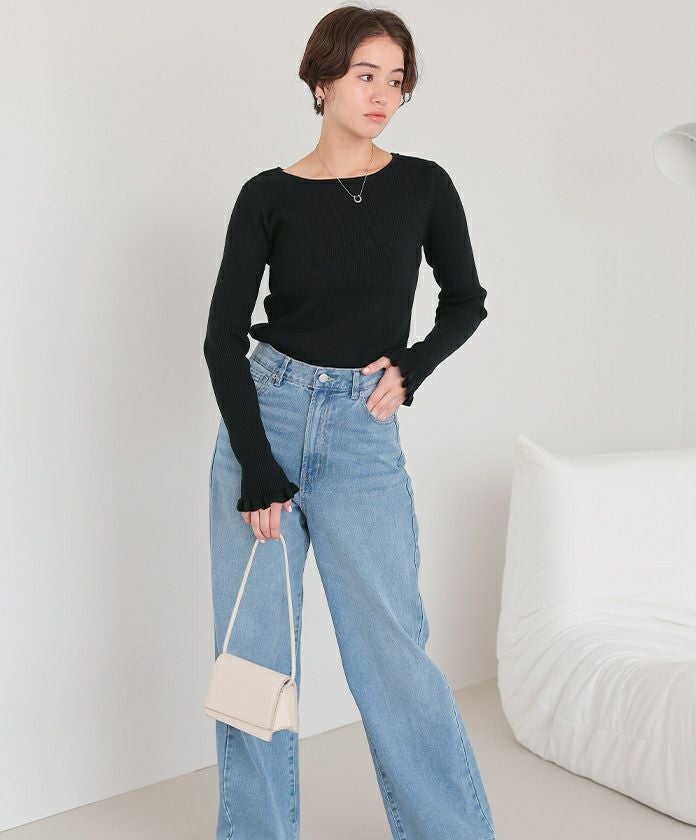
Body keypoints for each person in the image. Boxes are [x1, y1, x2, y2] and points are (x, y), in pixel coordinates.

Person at [203, 6, 495, 839]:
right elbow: (222, 339)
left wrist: (411, 367)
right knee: (254, 660)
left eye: (396, 81)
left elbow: (466, 301)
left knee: (393, 657)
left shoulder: (423, 185)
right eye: (366, 75)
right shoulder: (266, 195)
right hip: (263, 421)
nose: (382, 95)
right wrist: (258, 469)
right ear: (321, 80)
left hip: (361, 435)